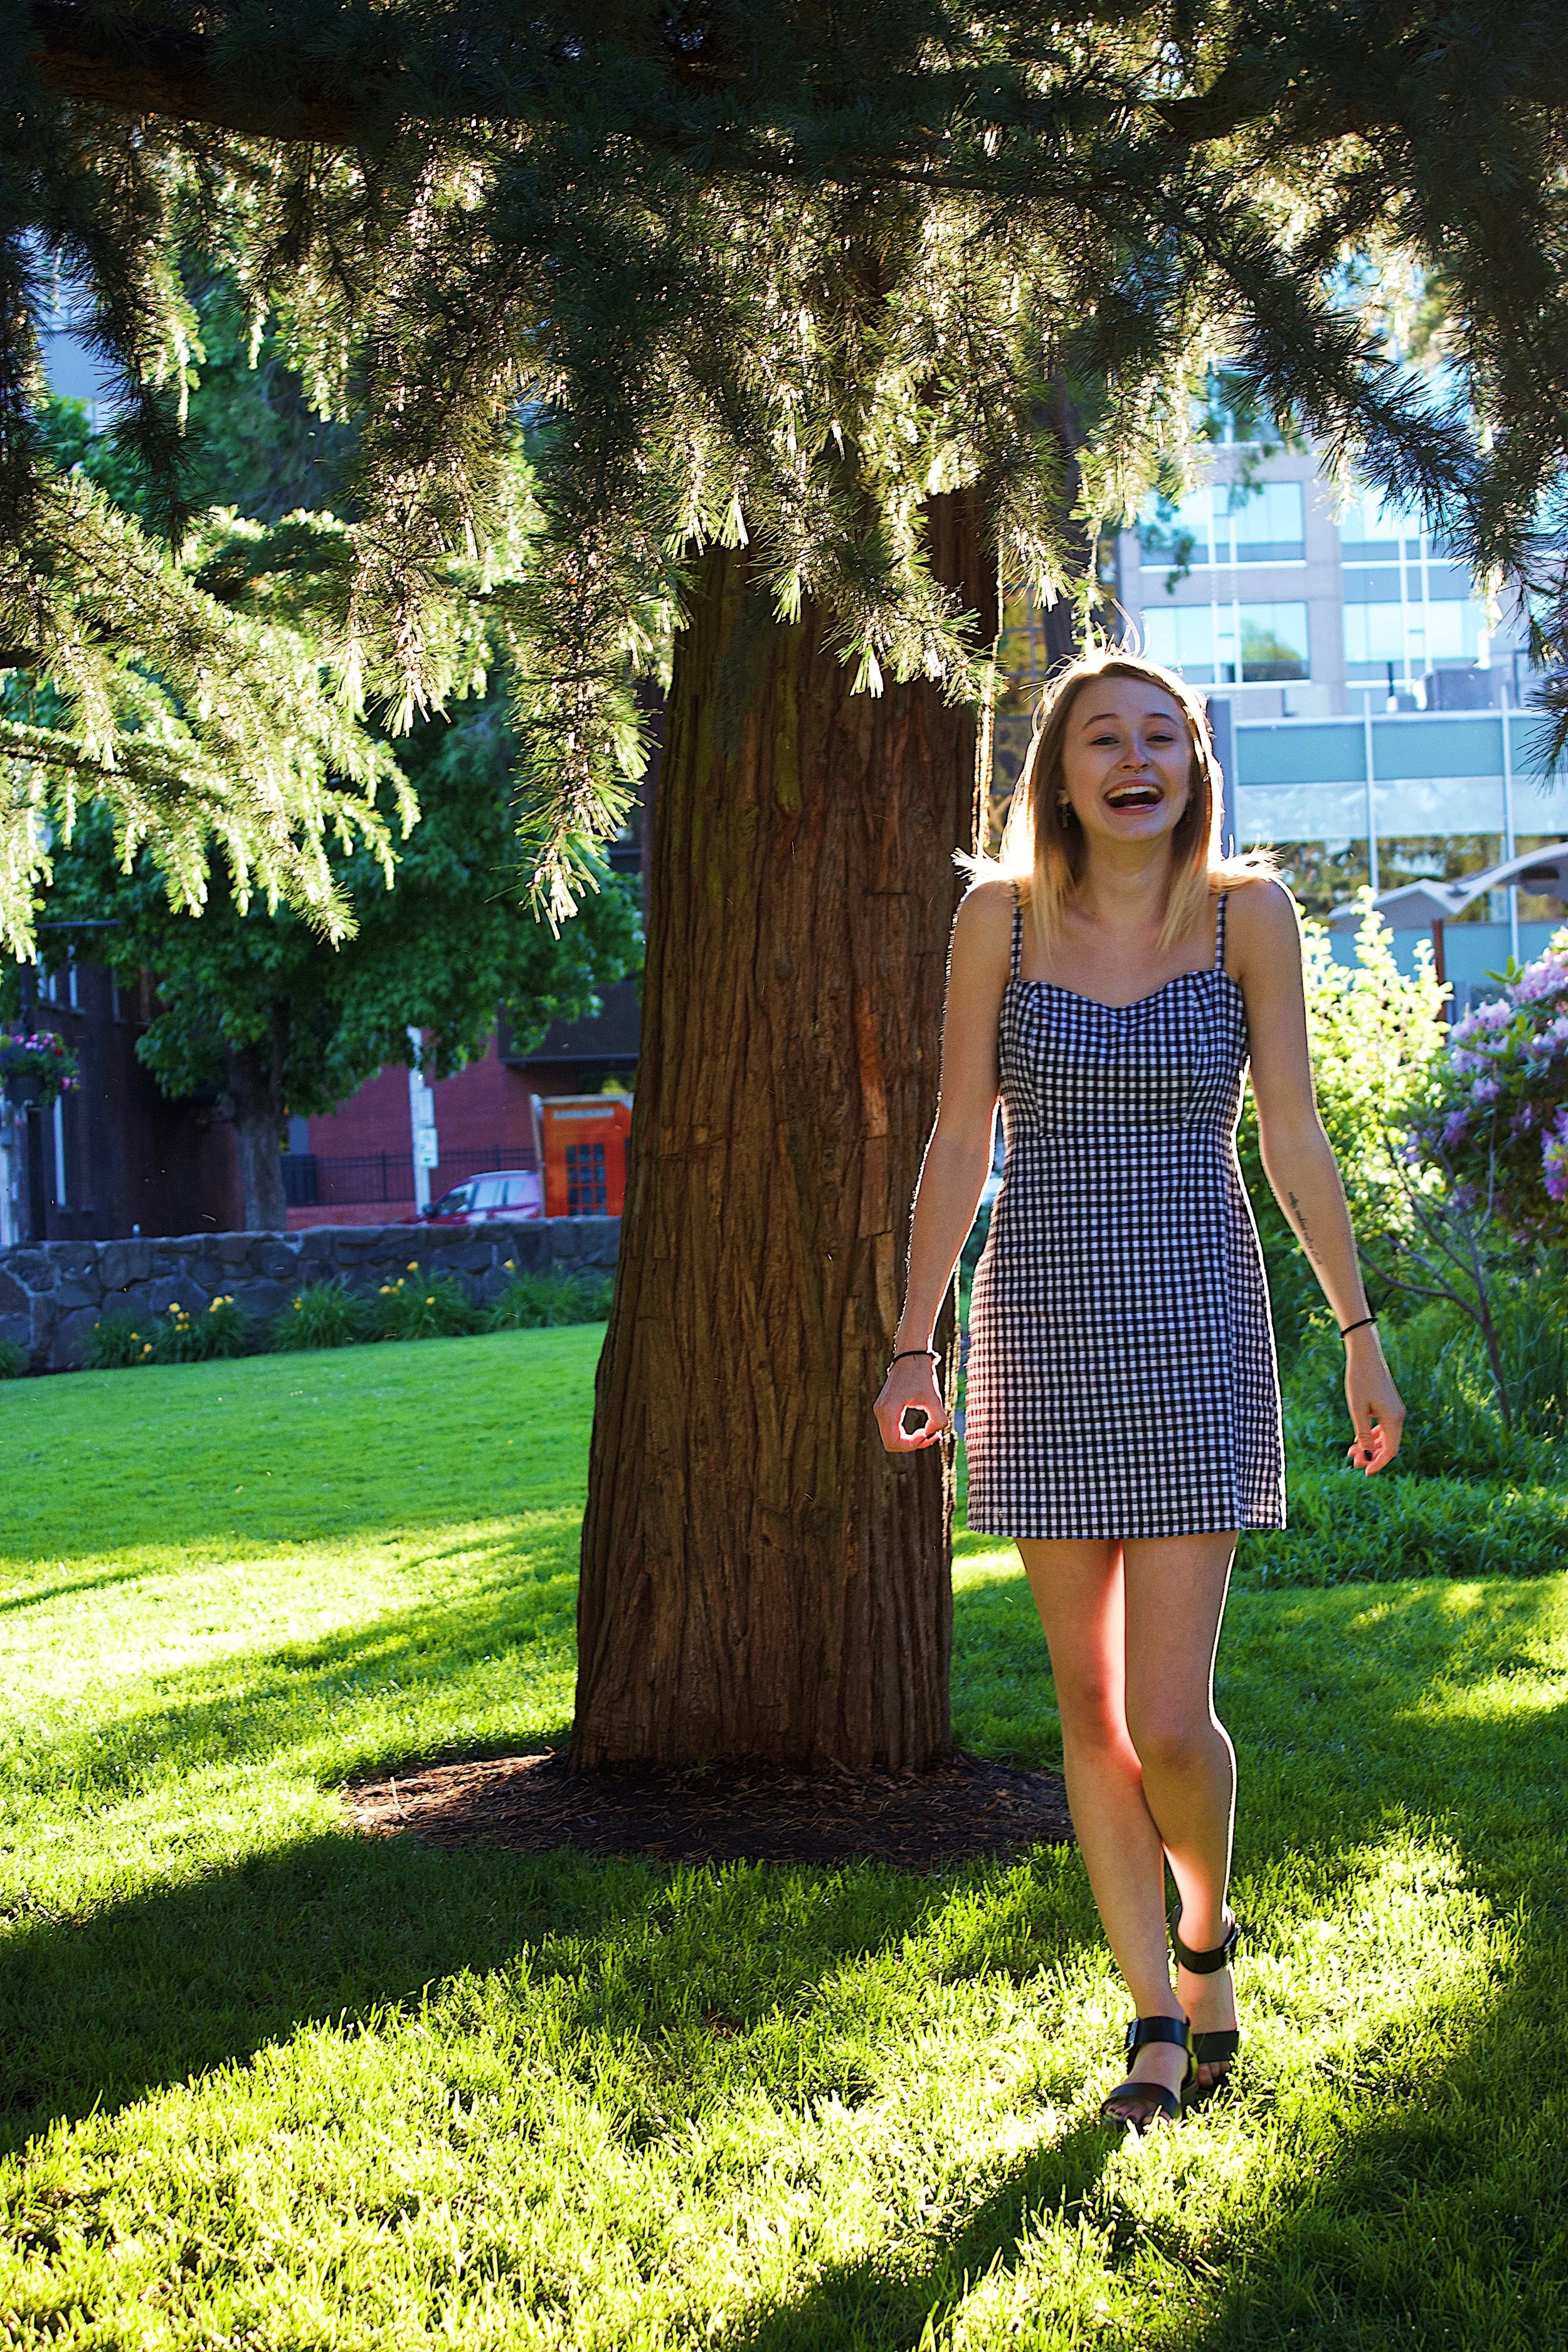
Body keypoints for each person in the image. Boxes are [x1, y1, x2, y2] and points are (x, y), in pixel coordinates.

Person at [873, 652, 1405, 2134]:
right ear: (1055, 771)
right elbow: (955, 1145)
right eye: (1101, 737)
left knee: (1171, 1721)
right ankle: (1155, 2026)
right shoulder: (999, 917)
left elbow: (1290, 1137)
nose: (1134, 758)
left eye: (1160, 736)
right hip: (1039, 1332)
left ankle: (1203, 1932)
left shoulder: (1247, 917)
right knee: (1090, 1709)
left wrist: (1355, 1326)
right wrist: (914, 1338)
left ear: (1192, 765)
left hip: (1194, 1328)